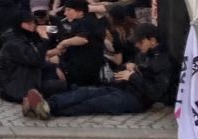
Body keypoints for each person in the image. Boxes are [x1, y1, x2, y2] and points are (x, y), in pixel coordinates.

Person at [24, 23, 174, 119]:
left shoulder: (163, 61)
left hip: (137, 100)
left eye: (140, 42)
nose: (137, 45)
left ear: (152, 40)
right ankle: (46, 104)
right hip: (124, 88)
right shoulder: (144, 54)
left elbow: (156, 92)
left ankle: (48, 109)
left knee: (93, 103)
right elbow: (136, 69)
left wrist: (133, 76)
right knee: (86, 92)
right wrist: (132, 67)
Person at [0, 10, 66, 103]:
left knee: (53, 69)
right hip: (17, 86)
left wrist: (49, 27)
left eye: (33, 22)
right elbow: (36, 60)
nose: (33, 25)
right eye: (29, 23)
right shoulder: (14, 43)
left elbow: (58, 30)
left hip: (25, 74)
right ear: (20, 24)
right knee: (60, 85)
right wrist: (44, 39)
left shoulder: (25, 32)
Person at [48, 0, 105, 87]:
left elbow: (83, 39)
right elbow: (60, 30)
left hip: (82, 70)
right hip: (75, 63)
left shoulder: (85, 23)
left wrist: (63, 43)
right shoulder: (74, 22)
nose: (65, 13)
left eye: (69, 10)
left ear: (80, 12)